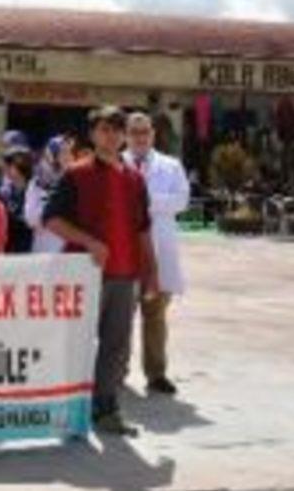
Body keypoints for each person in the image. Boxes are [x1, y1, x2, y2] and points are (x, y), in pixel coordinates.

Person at [44, 105, 159, 436]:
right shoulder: (76, 174)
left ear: (124, 136)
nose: (110, 136)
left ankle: (106, 409)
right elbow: (51, 219)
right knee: (76, 342)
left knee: (116, 346)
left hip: (125, 274)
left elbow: (143, 229)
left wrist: (151, 273)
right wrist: (89, 242)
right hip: (83, 273)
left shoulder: (135, 179)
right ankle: (66, 407)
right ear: (92, 135)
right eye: (103, 129)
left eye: (116, 129)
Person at [123, 112, 190, 396]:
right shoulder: (116, 164)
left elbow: (181, 200)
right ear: (126, 135)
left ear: (152, 134)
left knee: (156, 317)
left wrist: (145, 200)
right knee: (120, 319)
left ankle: (156, 374)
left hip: (160, 251)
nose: (140, 137)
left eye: (144, 131)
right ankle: (117, 372)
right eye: (134, 132)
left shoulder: (171, 166)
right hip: (126, 253)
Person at [25, 135, 75, 254]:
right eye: (64, 152)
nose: (69, 157)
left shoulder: (79, 181)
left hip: (72, 251)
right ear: (53, 155)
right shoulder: (38, 183)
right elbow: (30, 218)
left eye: (71, 152)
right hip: (46, 249)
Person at [0, 148, 35, 253]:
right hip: (9, 248)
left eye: (9, 165)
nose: (5, 169)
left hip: (30, 248)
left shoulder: (36, 190)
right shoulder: (4, 192)